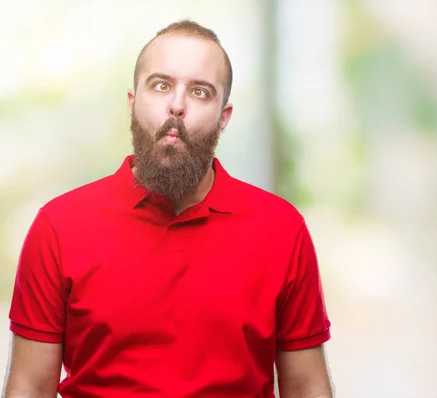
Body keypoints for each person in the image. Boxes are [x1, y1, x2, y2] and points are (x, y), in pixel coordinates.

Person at [3, 19, 333, 398]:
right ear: (132, 103)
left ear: (223, 118)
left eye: (200, 92)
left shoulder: (281, 229)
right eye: (161, 85)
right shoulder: (59, 226)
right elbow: (29, 386)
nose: (176, 105)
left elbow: (307, 387)